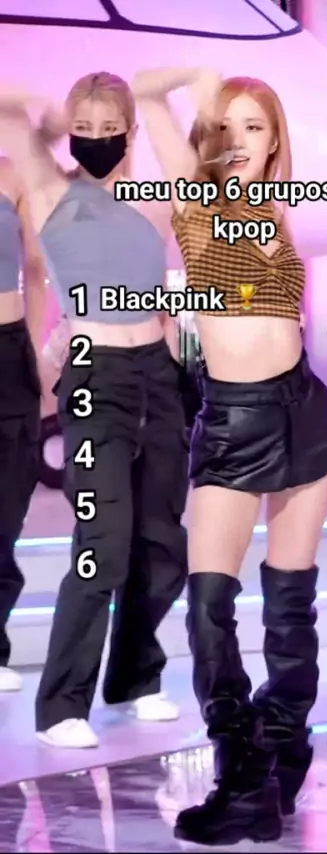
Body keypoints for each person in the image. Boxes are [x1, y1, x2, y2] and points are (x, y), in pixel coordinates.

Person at [132, 68, 327, 844]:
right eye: (227, 126)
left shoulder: (278, 212)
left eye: (255, 127)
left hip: (304, 412)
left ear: (276, 139)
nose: (240, 141)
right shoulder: (195, 200)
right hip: (231, 420)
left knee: (290, 601)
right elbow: (144, 92)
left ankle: (283, 752)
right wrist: (202, 85)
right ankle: (242, 771)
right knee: (208, 605)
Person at [0, 73, 188, 749]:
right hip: (95, 376)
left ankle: (136, 678)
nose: (97, 140)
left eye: (111, 129)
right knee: (101, 542)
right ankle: (61, 705)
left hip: (157, 373)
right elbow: (7, 112)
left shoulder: (151, 201)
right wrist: (46, 118)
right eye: (86, 128)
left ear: (131, 133)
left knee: (160, 540)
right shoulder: (52, 190)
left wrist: (172, 89)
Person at [0, 157, 46, 693]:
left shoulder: (10, 174)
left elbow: (34, 267)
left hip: (9, 348)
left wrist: (30, 344)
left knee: (7, 503)